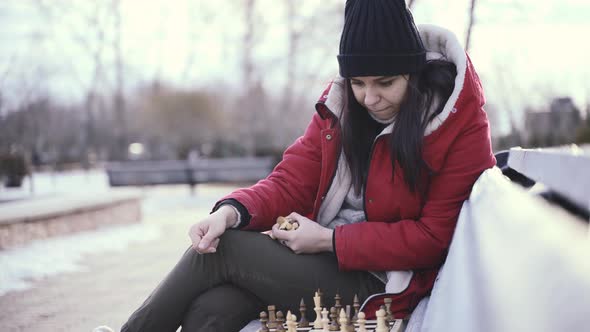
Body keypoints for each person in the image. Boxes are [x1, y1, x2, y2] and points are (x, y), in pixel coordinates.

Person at [97, 0, 495, 331]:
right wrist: (231, 212)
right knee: (211, 311)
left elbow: (432, 238)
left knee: (223, 252)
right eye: (358, 83)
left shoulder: (456, 122)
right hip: (316, 260)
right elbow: (290, 180)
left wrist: (329, 241)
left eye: (385, 82)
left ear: (414, 71)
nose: (370, 98)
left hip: (384, 283)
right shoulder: (339, 109)